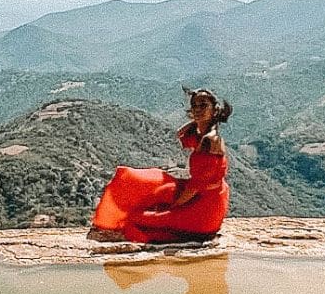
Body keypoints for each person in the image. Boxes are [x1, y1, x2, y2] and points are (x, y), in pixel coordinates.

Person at [87, 87, 232, 244]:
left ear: (214, 109)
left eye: (203, 105)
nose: (197, 109)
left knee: (134, 218)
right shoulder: (202, 135)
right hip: (207, 198)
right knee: (154, 181)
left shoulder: (210, 140)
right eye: (194, 106)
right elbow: (180, 134)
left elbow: (195, 186)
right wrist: (201, 119)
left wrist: (173, 207)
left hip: (204, 210)